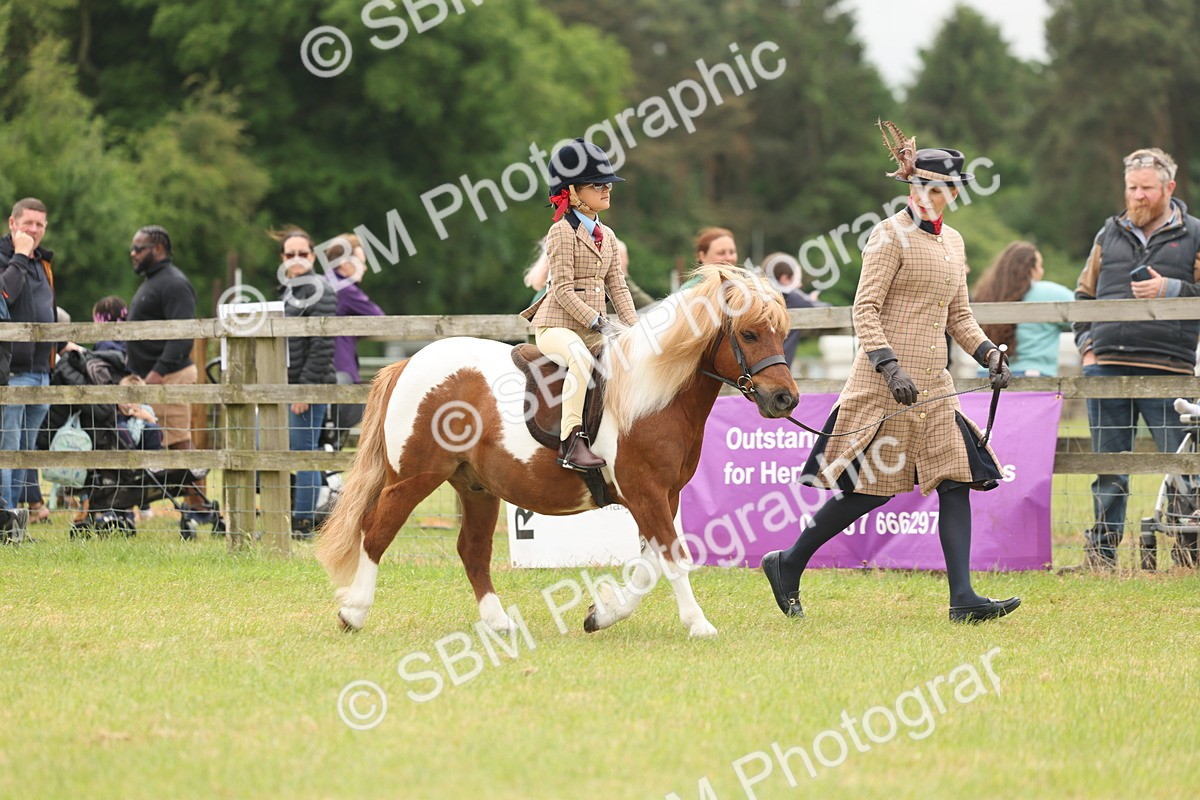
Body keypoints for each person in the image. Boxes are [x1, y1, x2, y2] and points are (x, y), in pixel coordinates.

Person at [761, 124, 1019, 623]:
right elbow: (865, 309)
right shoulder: (887, 235)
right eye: (920, 186)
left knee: (956, 480)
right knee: (867, 493)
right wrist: (888, 364)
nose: (927, 195)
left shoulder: (954, 243)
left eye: (938, 188)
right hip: (886, 386)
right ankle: (788, 562)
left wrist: (988, 353)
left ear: (953, 192)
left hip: (935, 388)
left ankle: (963, 599)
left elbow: (959, 316)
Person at [1073, 147, 1200, 568]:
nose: (1138, 196)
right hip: (1105, 366)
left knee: (1182, 467)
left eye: (1146, 188)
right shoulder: (1108, 233)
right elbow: (1083, 295)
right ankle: (1102, 556)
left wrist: (1171, 290)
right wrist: (1087, 346)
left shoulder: (1195, 234)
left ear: (1169, 187)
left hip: (1169, 368)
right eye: (1131, 188)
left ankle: (1188, 554)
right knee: (1109, 468)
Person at [519, 138, 638, 471]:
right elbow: (562, 290)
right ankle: (571, 442)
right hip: (556, 326)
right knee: (581, 360)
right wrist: (598, 322)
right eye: (597, 184)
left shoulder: (608, 236)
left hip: (592, 327)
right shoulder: (561, 232)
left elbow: (618, 287)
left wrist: (635, 330)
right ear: (572, 192)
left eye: (607, 184)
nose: (607, 189)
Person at [125, 225, 210, 520]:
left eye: (139, 249)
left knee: (178, 440)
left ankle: (200, 506)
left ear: (158, 249)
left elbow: (183, 336)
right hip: (152, 376)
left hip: (170, 376)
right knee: (171, 439)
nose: (133, 254)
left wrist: (158, 373)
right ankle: (194, 503)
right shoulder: (154, 281)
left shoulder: (174, 284)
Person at [0, 198, 65, 515]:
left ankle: (17, 519)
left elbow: (46, 311)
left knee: (26, 451)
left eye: (40, 224)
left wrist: (62, 345)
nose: (34, 230)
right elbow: (5, 295)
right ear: (12, 223)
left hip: (42, 370)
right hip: (12, 370)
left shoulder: (43, 262)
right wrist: (20, 255)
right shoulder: (6, 258)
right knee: (7, 448)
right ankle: (6, 517)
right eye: (28, 223)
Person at [276, 229, 337, 538]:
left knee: (304, 454)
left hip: (308, 386)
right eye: (291, 254)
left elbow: (322, 346)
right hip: (286, 385)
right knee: (291, 451)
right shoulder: (288, 291)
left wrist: (305, 390)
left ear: (313, 256)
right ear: (283, 258)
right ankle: (289, 517)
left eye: (303, 253)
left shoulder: (320, 290)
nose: (297, 259)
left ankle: (302, 523)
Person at [971, 242, 1075, 377]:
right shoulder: (1050, 292)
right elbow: (1087, 316)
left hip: (986, 375)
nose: (1042, 271)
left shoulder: (985, 294)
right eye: (1040, 266)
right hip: (1033, 375)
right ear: (1031, 269)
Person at [763, 252, 829, 369]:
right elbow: (826, 308)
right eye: (797, 279)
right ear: (784, 279)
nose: (800, 284)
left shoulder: (759, 295)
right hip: (780, 368)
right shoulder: (792, 297)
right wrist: (812, 300)